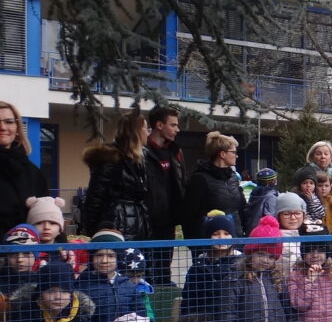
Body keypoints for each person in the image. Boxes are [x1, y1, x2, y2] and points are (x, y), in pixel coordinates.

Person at [81, 110, 151, 239]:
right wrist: (93, 233)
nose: (148, 133)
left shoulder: (141, 159)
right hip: (116, 227)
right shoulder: (111, 159)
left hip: (136, 226)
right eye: (146, 129)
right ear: (136, 132)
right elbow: (95, 198)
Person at [142, 105, 186, 287]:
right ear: (159, 125)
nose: (177, 129)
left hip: (168, 221)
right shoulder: (141, 151)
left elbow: (181, 183)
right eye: (173, 125)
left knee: (164, 267)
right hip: (146, 221)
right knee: (145, 268)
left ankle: (164, 295)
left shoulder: (176, 152)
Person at [73, 229, 146, 322]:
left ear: (118, 258)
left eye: (111, 256)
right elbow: (76, 319)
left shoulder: (127, 285)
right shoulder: (82, 285)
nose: (104, 260)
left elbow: (140, 313)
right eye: (99, 255)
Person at [182, 132, 247, 239]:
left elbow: (241, 208)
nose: (236, 155)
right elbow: (190, 215)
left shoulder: (234, 177)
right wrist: (195, 244)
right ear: (222, 154)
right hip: (209, 242)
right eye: (234, 152)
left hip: (235, 239)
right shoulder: (200, 179)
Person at [0, 102, 50, 234]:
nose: (3, 127)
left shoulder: (34, 173)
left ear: (17, 128)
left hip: (26, 246)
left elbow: (45, 215)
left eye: (9, 122)